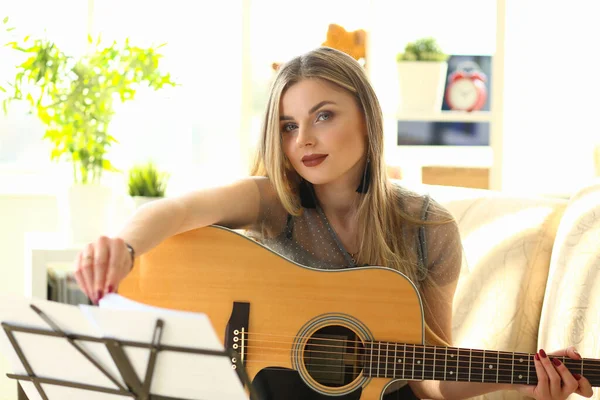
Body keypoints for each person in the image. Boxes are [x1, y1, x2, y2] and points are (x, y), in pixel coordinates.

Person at [73, 47, 592, 400]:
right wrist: (124, 246)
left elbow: (429, 373)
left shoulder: (428, 228)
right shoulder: (273, 202)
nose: (304, 140)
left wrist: (525, 376)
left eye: (324, 115)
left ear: (367, 117)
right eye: (289, 125)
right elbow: (177, 211)